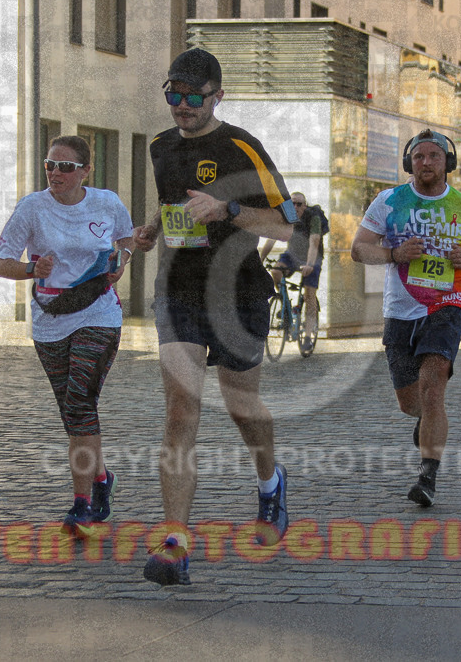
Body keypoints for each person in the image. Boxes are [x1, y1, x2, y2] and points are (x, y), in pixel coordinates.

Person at [132, 48, 296, 585]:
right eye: (172, 95)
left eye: (191, 97)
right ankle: (175, 541)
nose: (180, 106)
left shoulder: (241, 146)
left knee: (241, 407)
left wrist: (226, 209)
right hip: (177, 291)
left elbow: (289, 224)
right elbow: (176, 200)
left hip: (238, 294)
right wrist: (155, 226)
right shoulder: (160, 147)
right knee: (180, 410)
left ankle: (271, 482)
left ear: (216, 96)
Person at [0, 135, 134, 535]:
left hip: (99, 313)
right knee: (74, 415)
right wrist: (30, 271)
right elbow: (3, 264)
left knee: (79, 400)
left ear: (86, 171)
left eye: (66, 167)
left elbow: (125, 240)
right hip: (51, 318)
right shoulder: (32, 208)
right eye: (50, 165)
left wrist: (121, 261)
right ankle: (102, 477)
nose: (55, 172)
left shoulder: (107, 202)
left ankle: (82, 504)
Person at [350, 128, 461, 507]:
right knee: (410, 402)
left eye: (433, 156)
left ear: (448, 163)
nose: (425, 162)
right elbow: (359, 249)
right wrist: (394, 254)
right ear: (409, 162)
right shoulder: (389, 200)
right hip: (400, 310)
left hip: (447, 304)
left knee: (432, 386)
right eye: (418, 157)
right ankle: (425, 422)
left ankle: (427, 476)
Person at [259, 192, 329, 353]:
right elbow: (272, 238)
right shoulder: (286, 217)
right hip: (292, 255)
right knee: (276, 272)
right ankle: (285, 304)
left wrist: (310, 264)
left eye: (299, 204)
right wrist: (261, 259)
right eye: (293, 203)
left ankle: (307, 336)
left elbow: (314, 242)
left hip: (313, 258)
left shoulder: (314, 218)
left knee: (309, 295)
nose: (295, 207)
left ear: (305, 205)